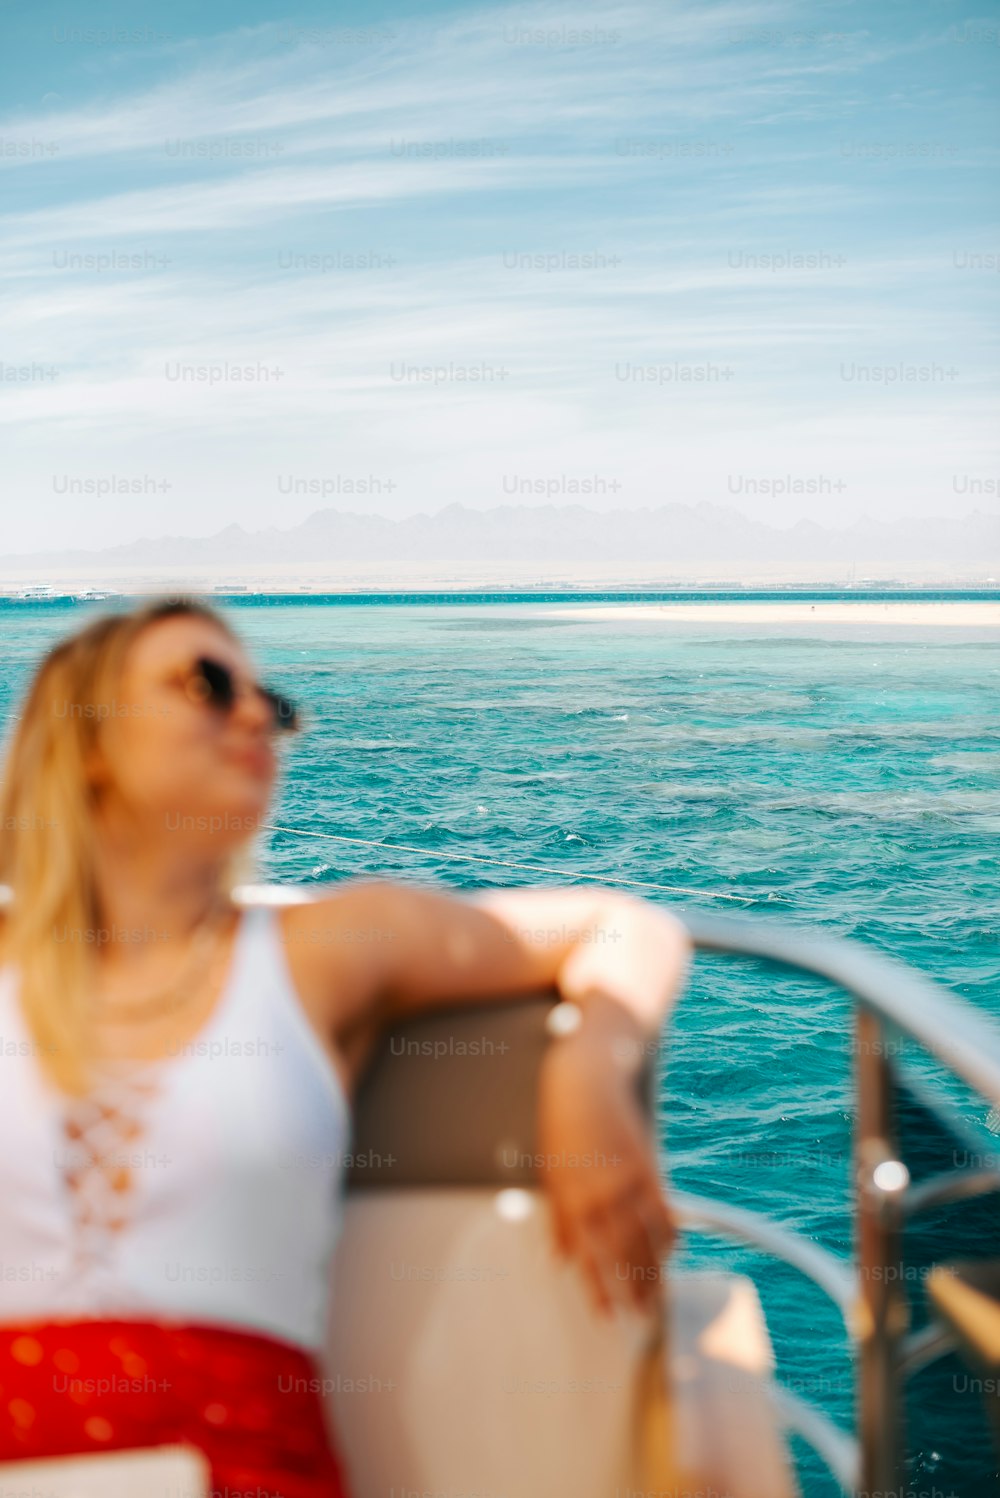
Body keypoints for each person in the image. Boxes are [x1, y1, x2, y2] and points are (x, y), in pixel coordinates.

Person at [0, 597, 690, 1497]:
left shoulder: (321, 952)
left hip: (247, 1467)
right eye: (205, 685)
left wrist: (590, 1070)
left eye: (272, 702)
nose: (255, 717)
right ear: (85, 736)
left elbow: (619, 925)